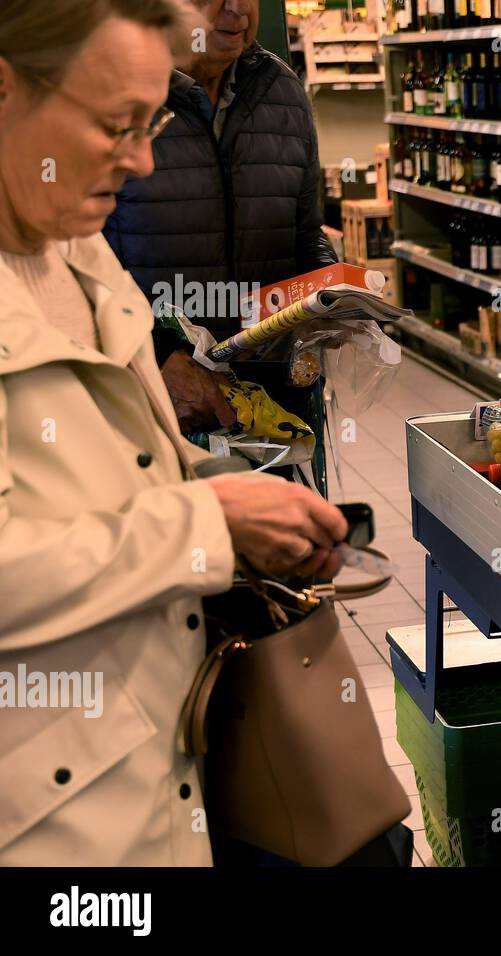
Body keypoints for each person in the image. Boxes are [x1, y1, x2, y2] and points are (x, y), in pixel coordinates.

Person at [0, 0, 348, 865]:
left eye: (150, 121)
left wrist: (232, 492)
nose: (144, 159)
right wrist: (208, 526)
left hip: (148, 777)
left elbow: (112, 459)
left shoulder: (70, 247)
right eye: (116, 125)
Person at [105, 0, 338, 433]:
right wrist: (154, 356)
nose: (237, 8)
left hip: (271, 400)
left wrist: (334, 290)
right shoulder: (110, 93)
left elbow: (305, 232)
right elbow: (72, 270)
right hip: (150, 402)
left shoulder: (281, 92)